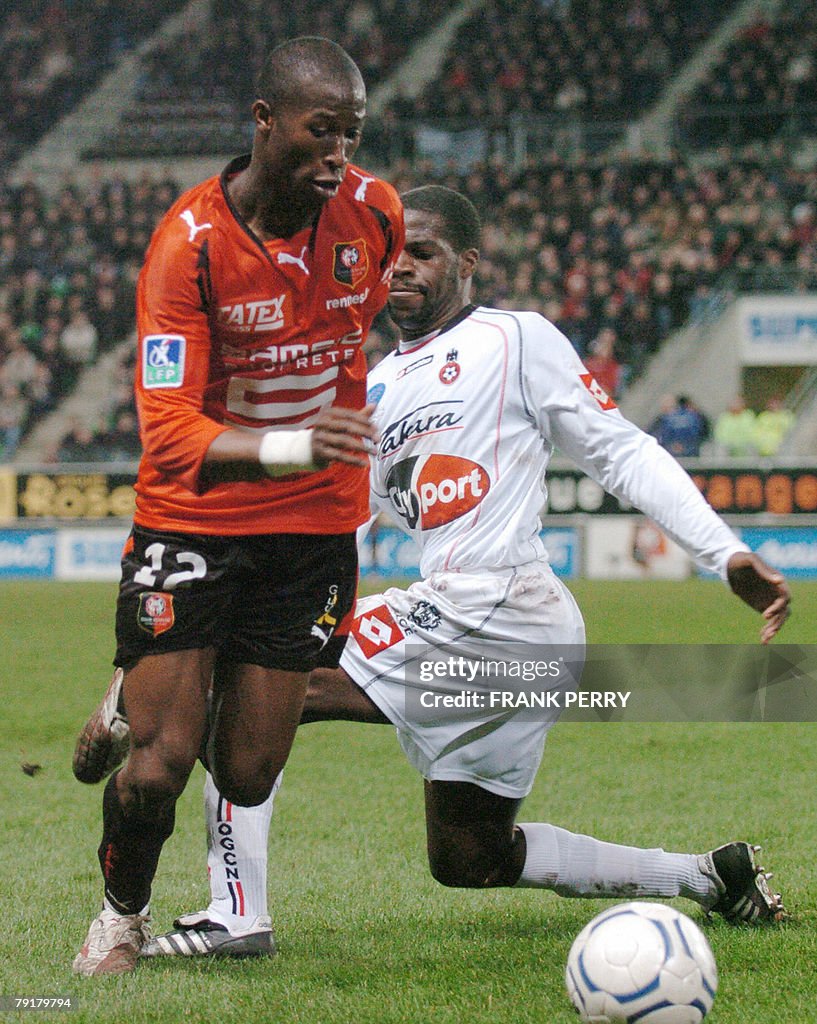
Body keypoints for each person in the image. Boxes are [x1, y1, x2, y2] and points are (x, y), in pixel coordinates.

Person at [75, 186, 789, 961]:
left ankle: (234, 916)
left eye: (424, 253)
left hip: (495, 609)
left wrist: (722, 551)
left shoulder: (514, 340)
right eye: (391, 257)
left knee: (252, 688)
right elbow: (334, 524)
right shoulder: (372, 388)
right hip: (505, 634)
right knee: (470, 857)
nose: (401, 271)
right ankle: (707, 877)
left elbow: (618, 448)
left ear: (469, 262)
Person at [71, 36, 404, 977]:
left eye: (352, 132)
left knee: (247, 772)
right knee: (159, 771)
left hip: (313, 533)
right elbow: (169, 430)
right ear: (264, 123)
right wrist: (298, 443)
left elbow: (359, 316)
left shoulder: (372, 214)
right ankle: (120, 917)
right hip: (195, 522)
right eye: (319, 130)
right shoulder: (191, 245)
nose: (339, 153)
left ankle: (144, 689)